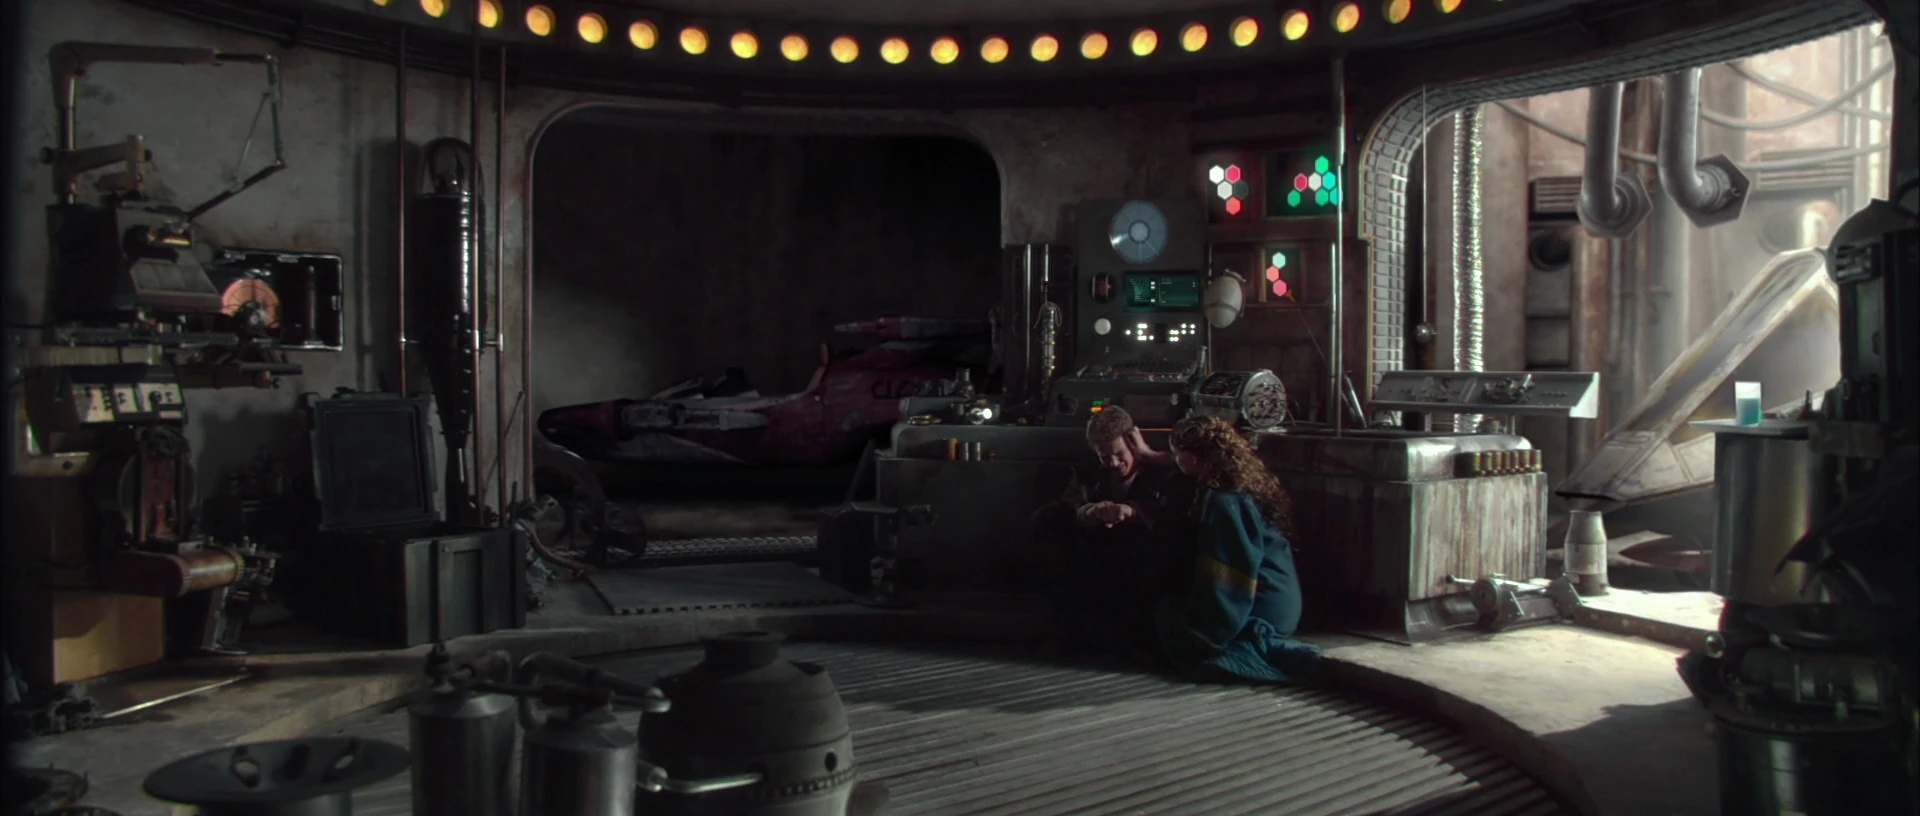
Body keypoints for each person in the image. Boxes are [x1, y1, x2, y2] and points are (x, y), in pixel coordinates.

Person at [1156, 415, 1323, 684]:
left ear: (1194, 459)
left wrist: (1210, 635)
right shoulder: (1243, 484)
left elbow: (1234, 572)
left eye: (1177, 454)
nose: (1175, 460)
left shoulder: (1224, 501)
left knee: (1172, 622)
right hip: (1282, 600)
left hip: (1264, 610)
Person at [1032, 407, 1196, 655]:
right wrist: (1089, 512)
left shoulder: (1164, 474)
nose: (1114, 463)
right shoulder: (1090, 472)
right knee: (1047, 521)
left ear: (1132, 443)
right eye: (1105, 456)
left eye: (1119, 454)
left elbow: (1173, 517)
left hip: (1144, 554)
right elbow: (1069, 504)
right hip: (1098, 549)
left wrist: (1132, 511)